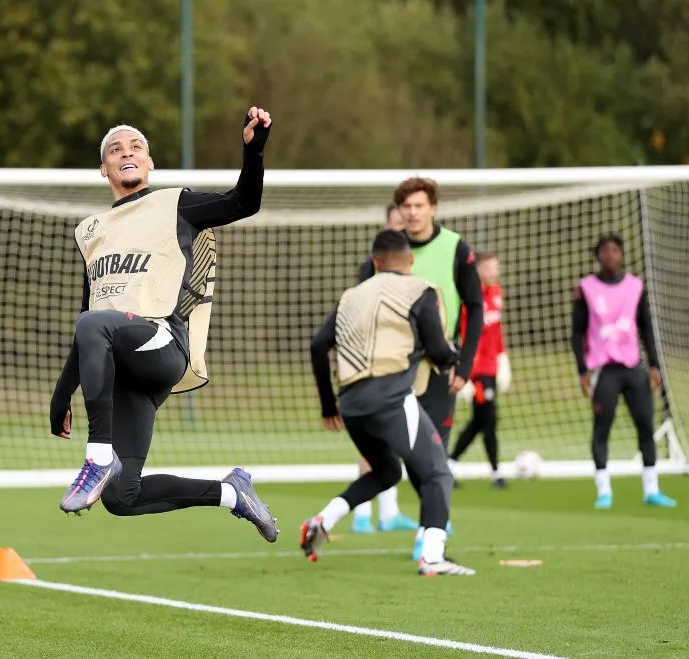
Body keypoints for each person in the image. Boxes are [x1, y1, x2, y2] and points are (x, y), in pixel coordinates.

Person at [49, 107, 279, 543]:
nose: (127, 152)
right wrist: (61, 396)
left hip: (162, 344)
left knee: (95, 323)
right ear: (104, 168)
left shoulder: (175, 203)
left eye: (136, 146)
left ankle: (98, 457)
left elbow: (244, 202)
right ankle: (234, 493)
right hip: (123, 369)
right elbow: (88, 319)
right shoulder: (90, 231)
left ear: (149, 162)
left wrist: (254, 151)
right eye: (115, 149)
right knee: (122, 496)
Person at [302, 229, 474, 576]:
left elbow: (318, 345)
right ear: (409, 259)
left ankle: (323, 520)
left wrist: (328, 406)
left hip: (351, 402)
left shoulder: (351, 296)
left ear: (375, 262)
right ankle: (433, 557)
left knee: (387, 471)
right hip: (391, 397)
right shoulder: (420, 290)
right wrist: (454, 356)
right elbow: (438, 350)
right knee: (437, 472)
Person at [360, 177, 482, 560]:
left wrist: (465, 362)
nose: (412, 213)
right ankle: (424, 525)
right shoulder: (388, 250)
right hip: (394, 372)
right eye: (406, 206)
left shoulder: (456, 248)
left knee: (435, 454)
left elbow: (475, 307)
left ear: (433, 208)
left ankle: (429, 535)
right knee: (407, 454)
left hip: (441, 366)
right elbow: (361, 301)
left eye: (419, 206)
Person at [570, 234, 676, 510]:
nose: (611, 255)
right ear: (598, 256)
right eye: (605, 251)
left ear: (622, 255)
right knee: (602, 427)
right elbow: (577, 332)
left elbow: (646, 328)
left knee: (645, 425)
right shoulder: (586, 288)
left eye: (615, 250)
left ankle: (651, 489)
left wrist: (654, 365)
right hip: (604, 371)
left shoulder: (635, 287)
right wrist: (582, 370)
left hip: (633, 368)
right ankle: (604, 490)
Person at [349, 203, 420, 534]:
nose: (404, 226)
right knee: (373, 440)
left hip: (399, 361)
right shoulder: (371, 268)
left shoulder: (411, 265)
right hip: (373, 362)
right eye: (397, 222)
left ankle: (389, 512)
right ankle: (362, 513)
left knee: (392, 440)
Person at [450, 252, 512, 488]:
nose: (494, 272)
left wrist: (502, 357)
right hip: (475, 369)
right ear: (478, 270)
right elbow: (463, 334)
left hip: (491, 366)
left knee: (481, 419)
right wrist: (463, 372)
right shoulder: (467, 297)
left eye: (496, 267)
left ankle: (449, 463)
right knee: (488, 419)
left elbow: (496, 330)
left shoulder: (496, 292)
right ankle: (496, 473)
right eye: (489, 268)